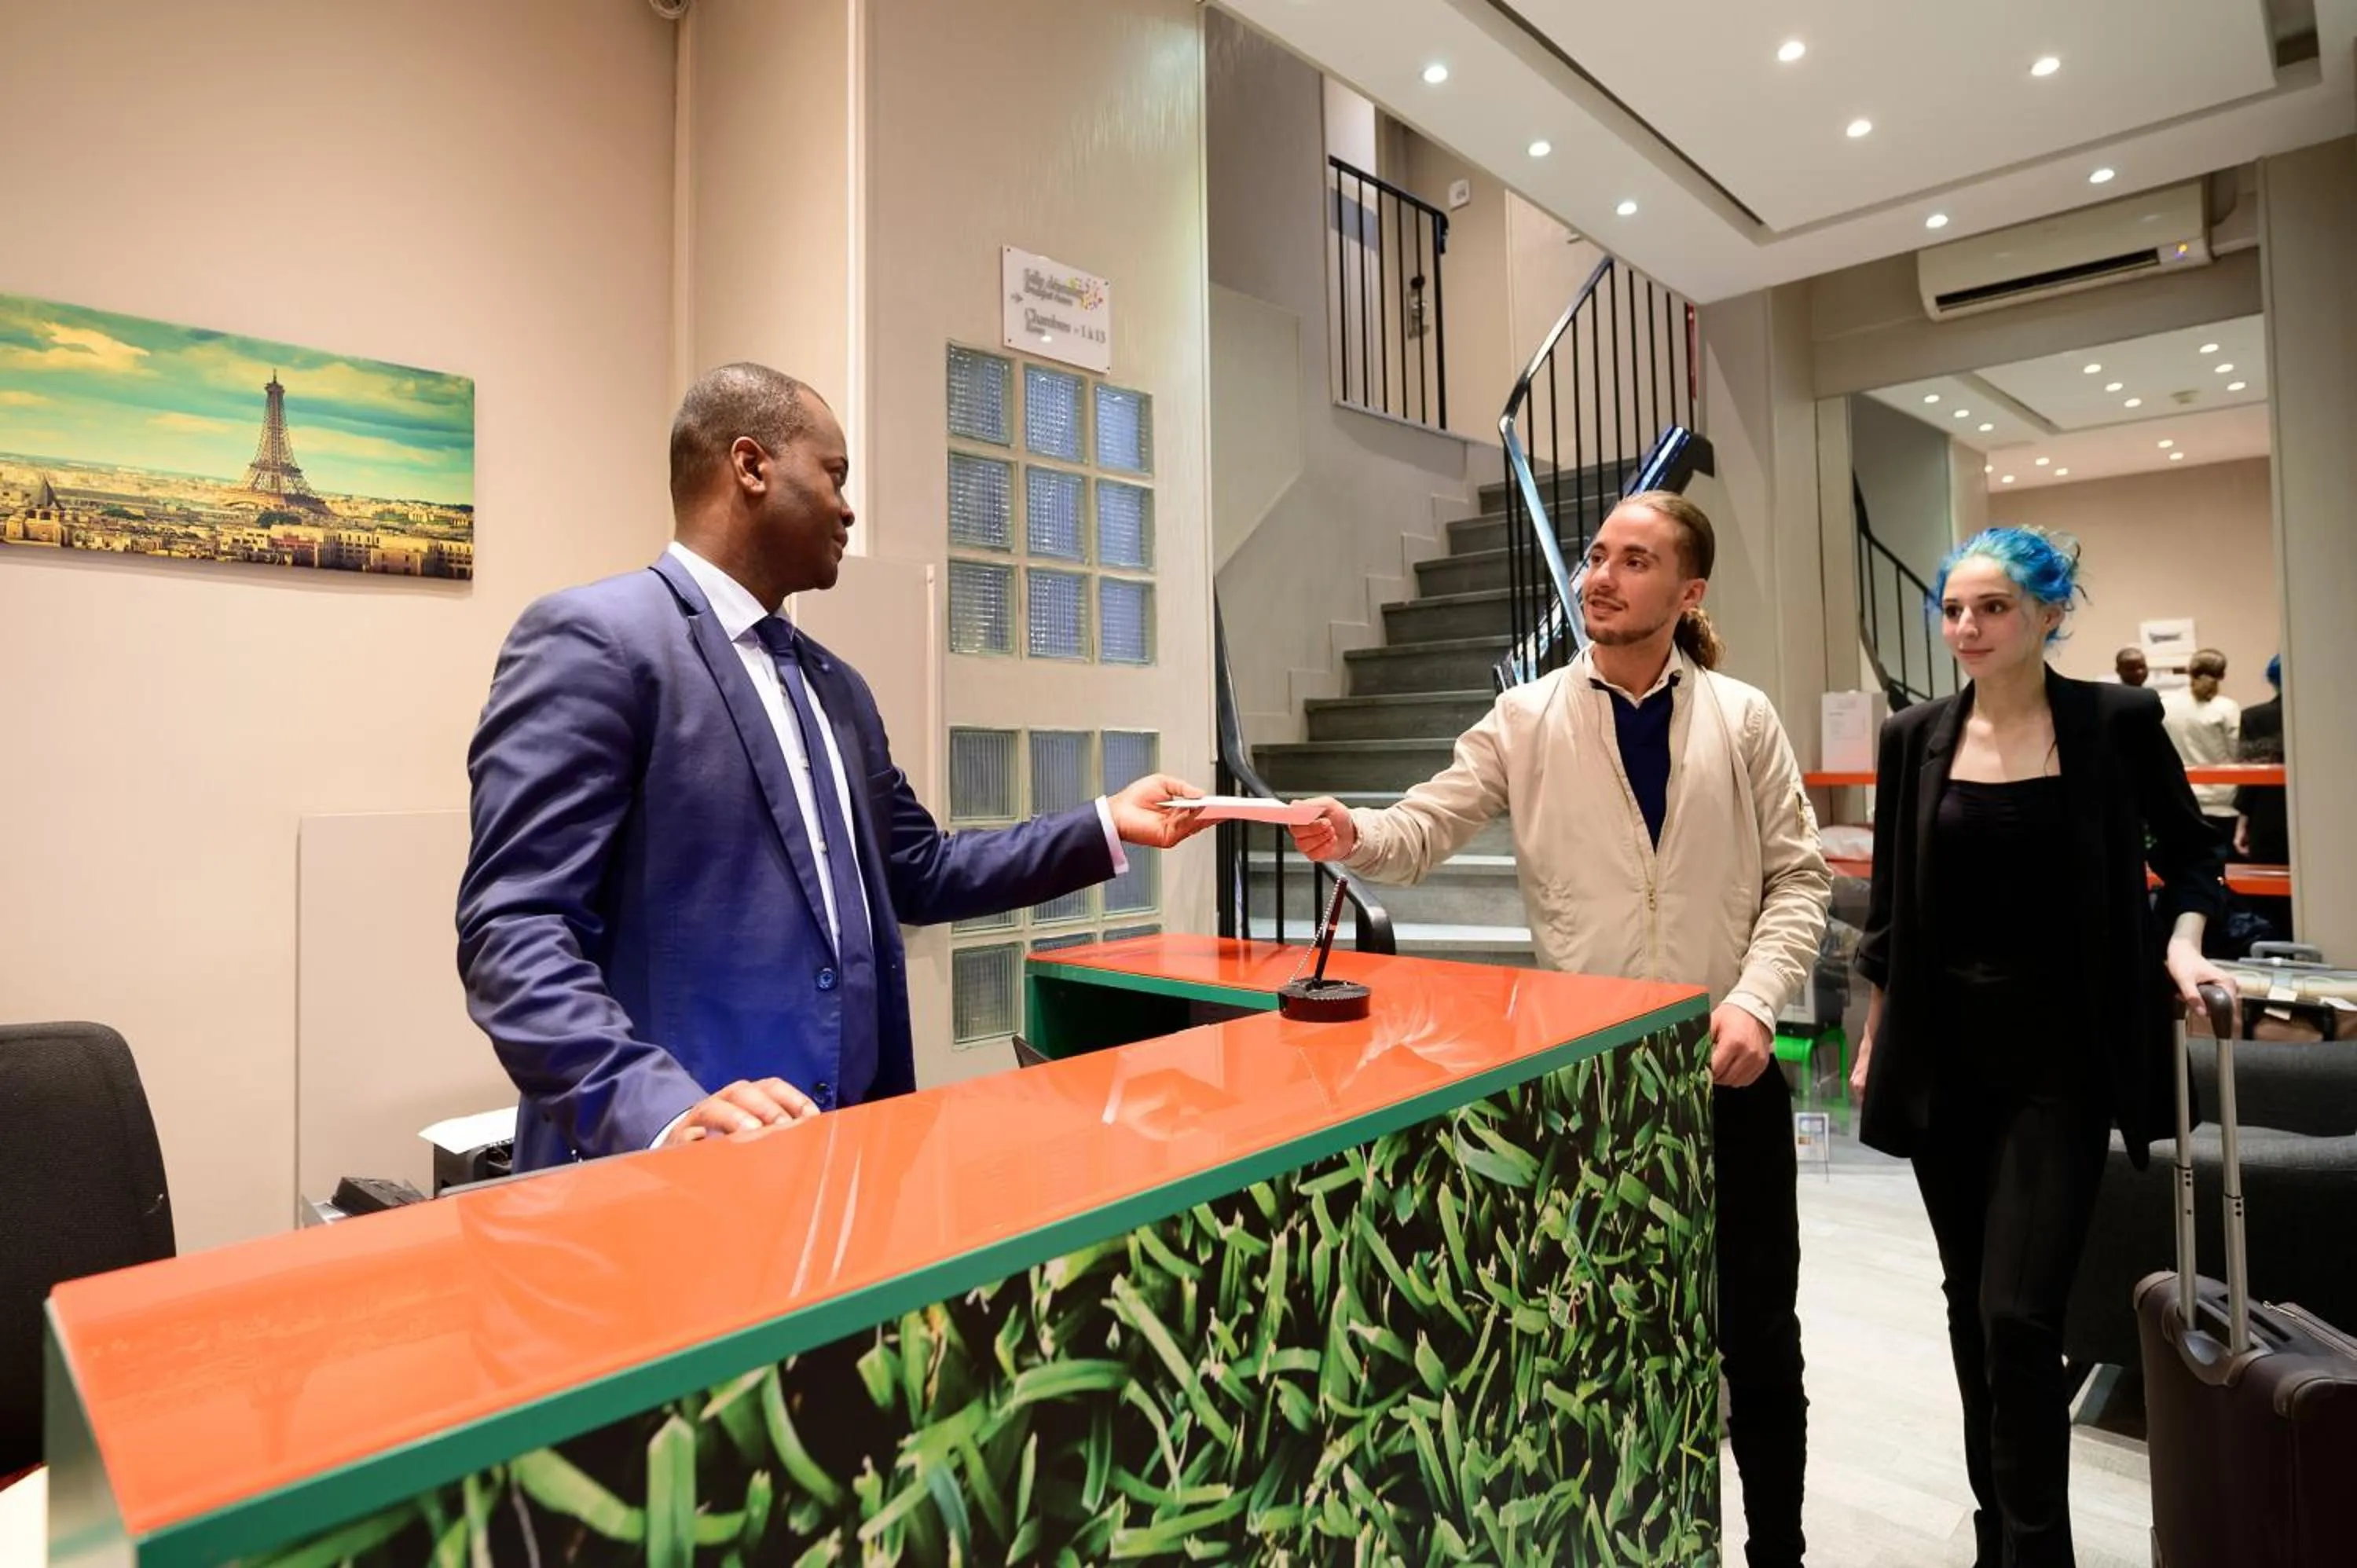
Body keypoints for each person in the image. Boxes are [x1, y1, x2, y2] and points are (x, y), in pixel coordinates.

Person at [458, 364, 1207, 1170]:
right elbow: (516, 930)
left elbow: (920, 870)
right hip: (679, 1175)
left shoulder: (835, 686)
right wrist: (659, 1110)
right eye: (835, 475)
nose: (849, 508)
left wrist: (1103, 824)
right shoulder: (596, 641)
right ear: (751, 466)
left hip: (851, 1161)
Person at [1287, 490, 1829, 1568]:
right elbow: (1423, 826)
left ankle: (1778, 1552)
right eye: (1595, 556)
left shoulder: (1743, 717)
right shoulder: (1524, 718)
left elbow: (1798, 881)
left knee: (1759, 1342)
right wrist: (1354, 831)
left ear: (1688, 592)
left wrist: (1758, 1000)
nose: (1600, 578)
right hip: (1596, 1093)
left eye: (1635, 561)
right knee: (1610, 1343)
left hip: (1731, 1081)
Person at [1848, 527, 2229, 1568]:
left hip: (2059, 1064)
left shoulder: (2115, 723)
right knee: (1974, 1315)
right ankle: (1999, 1540)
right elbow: (1891, 908)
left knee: (2020, 1314)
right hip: (1942, 1060)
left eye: (1994, 608)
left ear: (2050, 614)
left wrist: (2183, 947)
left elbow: (2196, 857)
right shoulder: (1914, 735)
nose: (1967, 628)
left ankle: (2032, 1553)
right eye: (1954, 608)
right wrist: (1877, 1029)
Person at [2158, 648, 2242, 846]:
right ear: (2222, 675)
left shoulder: (2167, 704)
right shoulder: (2227, 707)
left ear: (2190, 671)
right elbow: (2238, 753)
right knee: (2225, 869)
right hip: (2222, 802)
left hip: (2182, 799)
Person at [2234, 654, 2291, 937]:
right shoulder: (2328, 715)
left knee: (2269, 896)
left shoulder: (2255, 717)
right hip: (2319, 811)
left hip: (2267, 811)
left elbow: (2249, 775)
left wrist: (2243, 821)